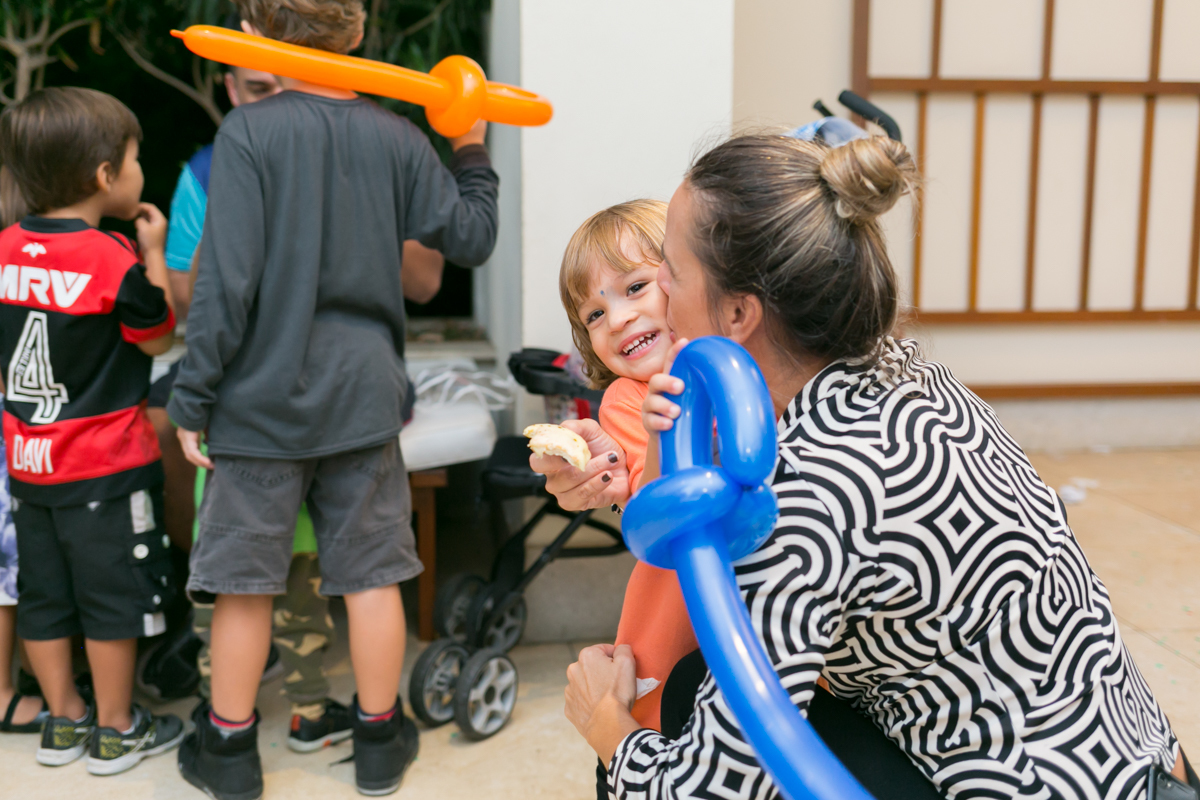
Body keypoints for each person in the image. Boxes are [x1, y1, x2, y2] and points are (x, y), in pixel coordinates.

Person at [540, 133, 1195, 799]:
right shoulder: (918, 377)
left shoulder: (809, 493)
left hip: (1032, 785)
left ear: (738, 313)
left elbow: (707, 788)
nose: (645, 311)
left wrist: (607, 727)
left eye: (665, 278)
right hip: (1139, 759)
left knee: (683, 703)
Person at [167, 1, 498, 797]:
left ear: (256, 33)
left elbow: (226, 284)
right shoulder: (395, 137)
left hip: (257, 402)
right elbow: (473, 237)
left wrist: (192, 397)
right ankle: (381, 744)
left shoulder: (249, 134)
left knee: (247, 581)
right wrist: (471, 144)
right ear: (357, 36)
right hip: (363, 399)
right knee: (370, 574)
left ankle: (230, 755)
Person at [0, 87, 184, 775]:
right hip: (105, 464)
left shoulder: (5, 248)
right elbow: (156, 337)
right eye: (135, 159)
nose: (139, 170)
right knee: (113, 598)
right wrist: (154, 251)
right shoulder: (110, 258)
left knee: (44, 596)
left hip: (29, 461)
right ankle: (114, 728)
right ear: (106, 176)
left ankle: (62, 720)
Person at [557, 199, 697, 737]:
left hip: (769, 614)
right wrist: (662, 429)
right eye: (593, 314)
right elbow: (653, 515)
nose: (617, 319)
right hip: (671, 616)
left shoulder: (744, 362)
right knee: (660, 734)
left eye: (635, 287)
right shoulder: (627, 398)